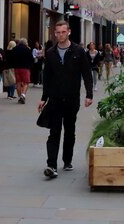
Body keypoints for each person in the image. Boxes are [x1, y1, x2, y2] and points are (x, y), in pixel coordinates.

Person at [39, 20, 93, 178]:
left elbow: (86, 74)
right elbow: (47, 77)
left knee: (70, 130)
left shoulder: (78, 51)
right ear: (55, 33)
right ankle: (51, 165)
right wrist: (44, 98)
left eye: (63, 32)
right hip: (55, 99)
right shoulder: (50, 53)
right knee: (54, 131)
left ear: (69, 32)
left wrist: (89, 94)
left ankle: (67, 159)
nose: (60, 35)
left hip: (72, 98)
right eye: (58, 32)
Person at [13, 38, 32, 104]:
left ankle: (20, 97)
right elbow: (31, 58)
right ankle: (23, 95)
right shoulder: (27, 49)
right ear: (25, 43)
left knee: (18, 82)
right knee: (26, 82)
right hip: (25, 68)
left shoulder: (15, 49)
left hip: (17, 68)